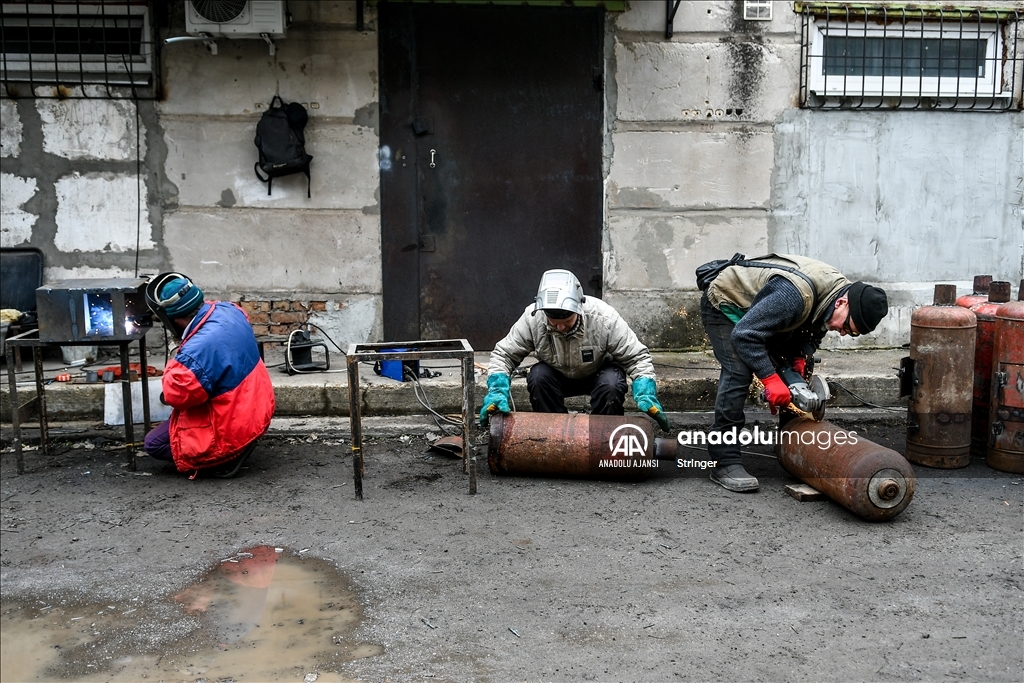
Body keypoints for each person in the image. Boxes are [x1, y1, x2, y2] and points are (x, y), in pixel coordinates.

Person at [698, 253, 888, 492]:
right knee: (739, 371)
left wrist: (799, 358)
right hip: (727, 305)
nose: (842, 333)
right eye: (846, 327)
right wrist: (770, 379)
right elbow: (745, 335)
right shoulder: (792, 297)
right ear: (842, 303)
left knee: (799, 371)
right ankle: (723, 461)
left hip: (766, 312)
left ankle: (793, 448)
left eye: (851, 334)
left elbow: (814, 329)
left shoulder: (835, 296)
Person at [480, 269, 669, 431]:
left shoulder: (604, 318)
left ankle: (606, 436)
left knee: (612, 382)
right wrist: (497, 390)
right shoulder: (533, 318)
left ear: (579, 308)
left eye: (566, 322)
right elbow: (504, 354)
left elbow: (636, 357)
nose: (560, 327)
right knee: (538, 376)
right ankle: (551, 434)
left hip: (598, 374)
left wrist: (646, 392)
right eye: (554, 323)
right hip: (558, 375)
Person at [142, 273, 275, 478]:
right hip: (257, 407)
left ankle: (217, 458)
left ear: (173, 319)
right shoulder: (230, 310)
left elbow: (174, 397)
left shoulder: (193, 354)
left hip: (232, 424)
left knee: (153, 444)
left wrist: (176, 359)